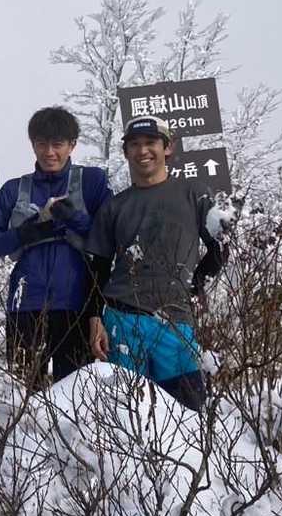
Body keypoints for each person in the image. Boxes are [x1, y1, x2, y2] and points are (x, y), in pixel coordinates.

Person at [85, 117, 225, 412]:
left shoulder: (194, 193)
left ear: (167, 147)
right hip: (121, 319)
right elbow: (98, 268)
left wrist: (195, 284)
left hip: (174, 321)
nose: (143, 151)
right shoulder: (114, 206)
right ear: (126, 152)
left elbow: (221, 246)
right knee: (125, 414)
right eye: (134, 144)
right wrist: (95, 318)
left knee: (187, 413)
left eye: (151, 143)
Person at [0, 106, 112, 389]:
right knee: (24, 392)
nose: (49, 152)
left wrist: (72, 217)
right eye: (41, 144)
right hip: (25, 305)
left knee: (74, 393)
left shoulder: (91, 181)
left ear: (72, 145)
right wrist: (29, 231)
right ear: (33, 145)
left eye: (57, 144)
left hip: (76, 305)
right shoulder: (14, 189)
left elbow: (109, 235)